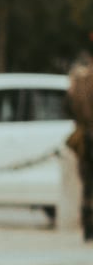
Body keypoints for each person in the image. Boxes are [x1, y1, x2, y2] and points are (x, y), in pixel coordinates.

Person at [66, 52, 93, 241]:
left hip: (85, 136)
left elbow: (67, 108)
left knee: (87, 183)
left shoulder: (77, 82)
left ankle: (87, 224)